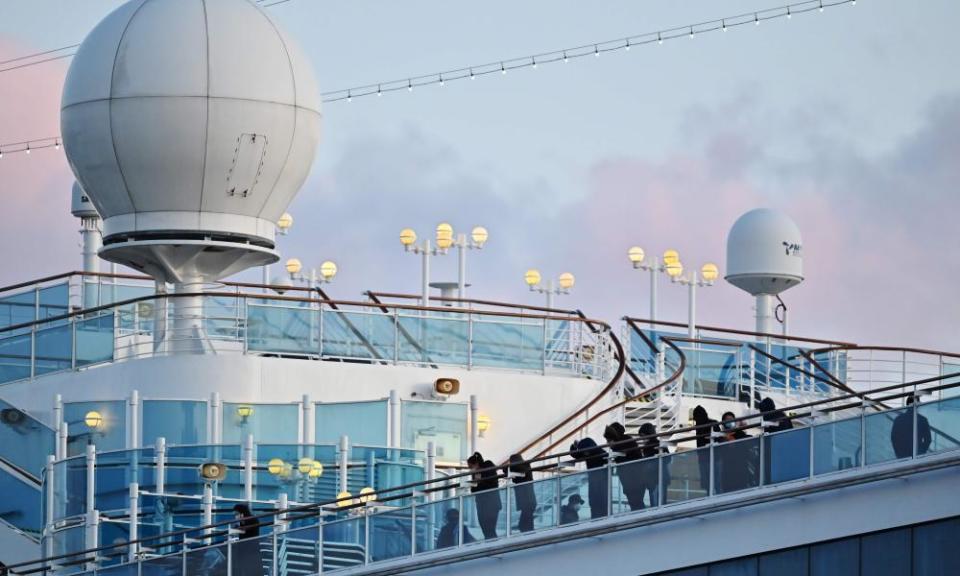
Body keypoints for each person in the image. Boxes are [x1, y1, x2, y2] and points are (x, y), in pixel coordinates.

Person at [603, 422, 645, 511]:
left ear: (615, 438)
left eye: (609, 440)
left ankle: (639, 521)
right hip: (633, 480)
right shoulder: (626, 442)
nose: (607, 444)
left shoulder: (625, 443)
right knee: (636, 503)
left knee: (636, 503)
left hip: (634, 480)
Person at [717, 412, 757, 493]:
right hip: (727, 471)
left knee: (742, 490)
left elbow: (749, 442)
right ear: (723, 423)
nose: (729, 422)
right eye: (727, 420)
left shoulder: (739, 433)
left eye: (731, 420)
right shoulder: (720, 436)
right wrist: (726, 439)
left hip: (741, 470)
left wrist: (740, 429)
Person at [569, 437, 608, 519]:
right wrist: (574, 446)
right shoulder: (588, 451)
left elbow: (607, 458)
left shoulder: (599, 452)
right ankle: (595, 518)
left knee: (600, 501)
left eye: (585, 451)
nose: (585, 453)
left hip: (601, 478)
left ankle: (601, 518)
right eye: (583, 452)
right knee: (594, 501)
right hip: (594, 478)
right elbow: (575, 455)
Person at [467, 452, 502, 539]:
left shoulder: (488, 467)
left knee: (489, 529)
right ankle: (491, 547)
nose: (471, 469)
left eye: (471, 467)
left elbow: (492, 484)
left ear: (476, 464)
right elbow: (474, 489)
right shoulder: (475, 474)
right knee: (485, 529)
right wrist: (476, 483)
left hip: (491, 503)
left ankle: (494, 548)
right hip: (481, 505)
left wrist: (478, 483)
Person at [637, 423, 668, 506]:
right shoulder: (661, 444)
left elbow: (648, 463)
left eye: (643, 436)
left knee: (655, 503)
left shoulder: (648, 447)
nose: (642, 439)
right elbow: (668, 459)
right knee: (661, 502)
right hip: (661, 477)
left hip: (653, 479)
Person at [692, 405, 720, 491]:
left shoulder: (700, 426)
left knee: (711, 483)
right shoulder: (713, 423)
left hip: (709, 458)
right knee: (716, 483)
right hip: (713, 457)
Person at [232, 504, 263, 576]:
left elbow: (246, 529)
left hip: (252, 551)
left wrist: (239, 526)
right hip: (244, 550)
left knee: (253, 570)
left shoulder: (253, 520)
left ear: (242, 513)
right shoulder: (241, 522)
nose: (236, 516)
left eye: (237, 514)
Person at [508, 453, 536, 533]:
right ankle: (529, 537)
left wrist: (510, 468)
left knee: (525, 525)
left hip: (527, 500)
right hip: (528, 500)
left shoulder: (524, 466)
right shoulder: (524, 466)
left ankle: (530, 539)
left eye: (511, 462)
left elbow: (522, 474)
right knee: (525, 524)